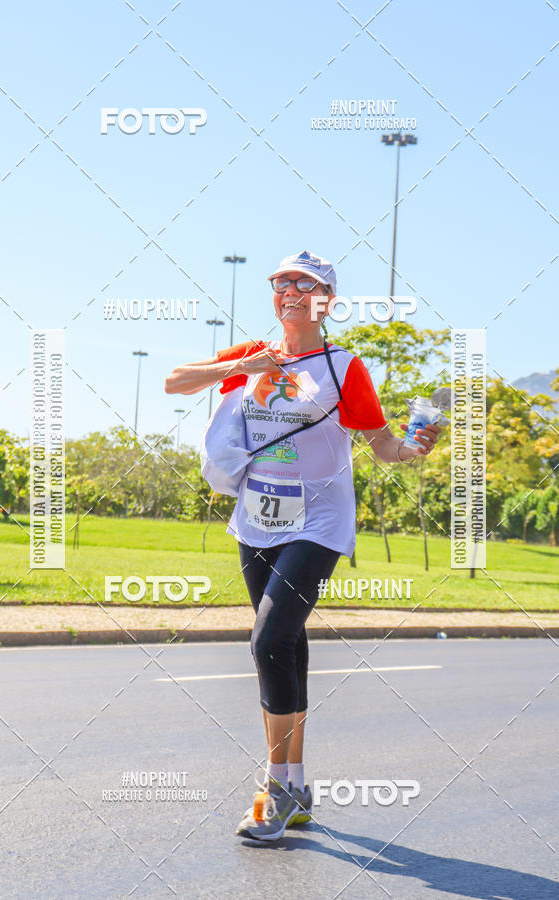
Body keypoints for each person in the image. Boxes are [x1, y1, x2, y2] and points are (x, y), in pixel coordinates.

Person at [165, 250, 441, 841]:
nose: (290, 289)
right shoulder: (249, 357)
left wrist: (414, 450)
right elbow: (173, 382)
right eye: (281, 281)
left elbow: (383, 445)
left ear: (326, 301)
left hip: (318, 522)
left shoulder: (345, 368)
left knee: (268, 639)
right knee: (287, 644)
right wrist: (243, 365)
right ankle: (298, 784)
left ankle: (277, 787)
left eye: (305, 283)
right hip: (257, 518)